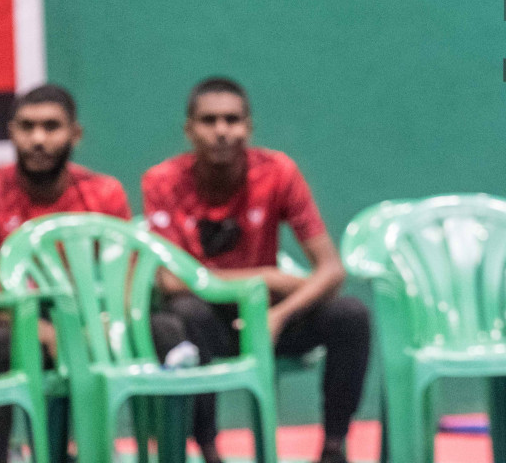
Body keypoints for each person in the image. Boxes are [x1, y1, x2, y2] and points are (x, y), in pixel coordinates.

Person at [142, 77, 370, 463]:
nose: (221, 131)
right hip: (207, 323)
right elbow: (170, 280)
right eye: (208, 120)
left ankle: (334, 446)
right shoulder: (161, 180)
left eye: (232, 119)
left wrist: (280, 312)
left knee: (351, 315)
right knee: (182, 314)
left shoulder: (278, 172)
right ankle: (209, 449)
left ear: (248, 126)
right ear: (189, 130)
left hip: (268, 322)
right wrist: (266, 277)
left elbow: (331, 270)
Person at [0, 83, 181, 463]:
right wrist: (56, 334)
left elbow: (125, 282)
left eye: (50, 126)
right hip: (13, 325)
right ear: (12, 132)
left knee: (169, 331)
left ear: (75, 134)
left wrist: (107, 322)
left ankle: (172, 453)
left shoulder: (104, 193)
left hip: (86, 318)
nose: (37, 139)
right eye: (26, 127)